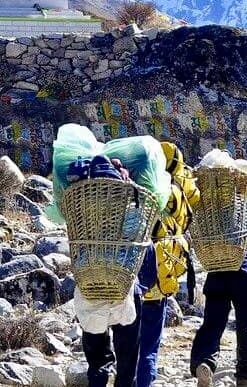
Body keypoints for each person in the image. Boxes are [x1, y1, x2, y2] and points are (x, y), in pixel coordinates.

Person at [74, 155, 146, 387]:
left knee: (97, 358)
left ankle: (99, 381)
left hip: (89, 282)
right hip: (123, 285)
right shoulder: (129, 204)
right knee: (127, 358)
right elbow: (139, 235)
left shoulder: (77, 203)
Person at [190, 214, 247, 387]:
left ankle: (205, 363)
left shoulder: (216, 217)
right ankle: (245, 376)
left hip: (216, 273)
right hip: (244, 277)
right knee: (245, 325)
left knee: (212, 324)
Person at [136, 142, 200, 387]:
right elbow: (186, 219)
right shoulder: (174, 190)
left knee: (128, 342)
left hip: (126, 280)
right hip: (158, 280)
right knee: (150, 344)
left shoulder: (130, 188)